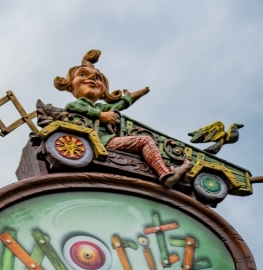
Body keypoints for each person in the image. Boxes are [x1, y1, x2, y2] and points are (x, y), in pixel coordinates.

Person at [54, 50, 191, 187]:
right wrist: (101, 116)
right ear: (70, 84)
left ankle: (165, 171)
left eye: (97, 78)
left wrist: (132, 97)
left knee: (144, 140)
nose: (91, 78)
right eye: (82, 74)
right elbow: (72, 107)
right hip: (100, 141)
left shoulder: (101, 107)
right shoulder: (80, 105)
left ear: (103, 92)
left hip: (105, 140)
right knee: (145, 140)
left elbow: (119, 105)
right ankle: (165, 174)